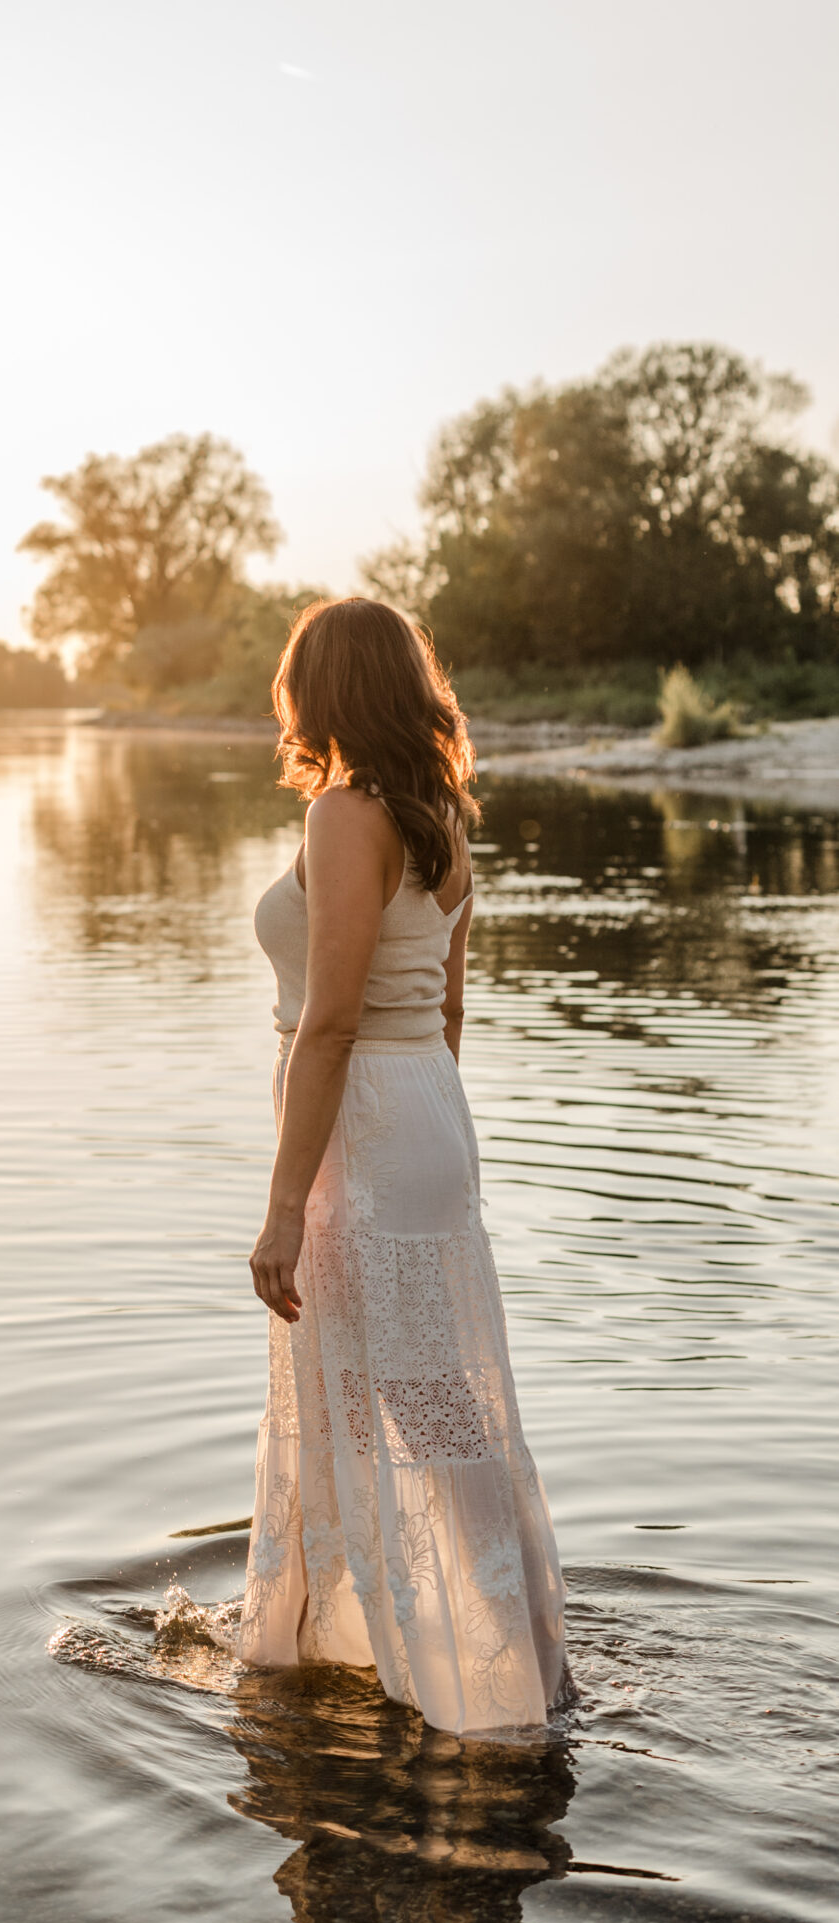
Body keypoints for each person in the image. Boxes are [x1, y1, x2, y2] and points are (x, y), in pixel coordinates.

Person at [239, 597, 569, 1734]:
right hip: (426, 1102)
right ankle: (502, 1644)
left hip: (366, 1121)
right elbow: (451, 1007)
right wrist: (422, 1136)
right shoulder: (439, 818)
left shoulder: (345, 814)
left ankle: (443, 1668)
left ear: (323, 691)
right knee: (437, 1397)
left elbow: (329, 1020)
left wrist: (288, 1208)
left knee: (393, 1394)